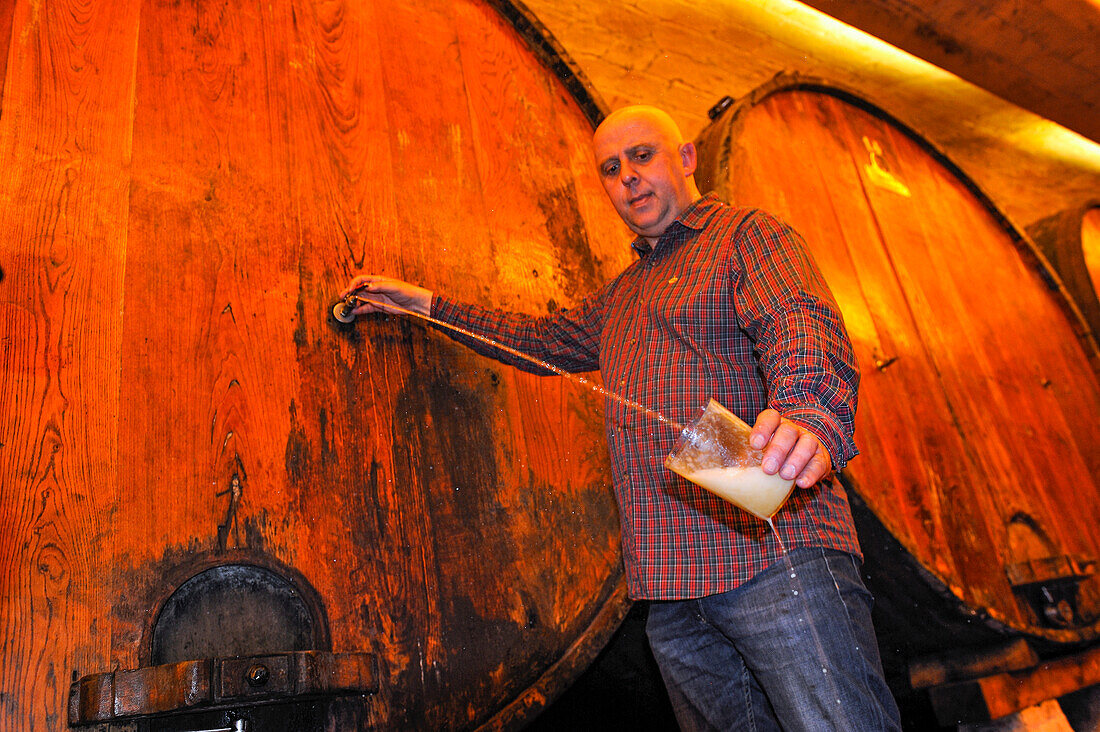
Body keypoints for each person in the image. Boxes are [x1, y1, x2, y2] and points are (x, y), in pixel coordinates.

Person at [341, 105, 901, 731]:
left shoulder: (746, 236)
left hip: (772, 558)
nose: (628, 177)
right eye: (611, 168)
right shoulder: (624, 294)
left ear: (686, 159)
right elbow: (541, 342)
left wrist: (807, 412)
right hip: (670, 589)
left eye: (642, 155)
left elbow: (798, 321)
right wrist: (430, 306)